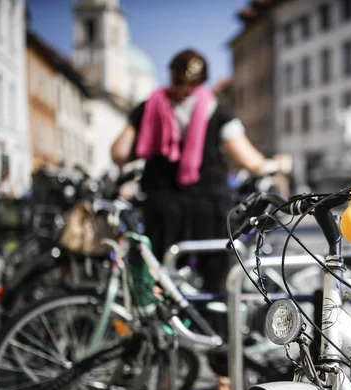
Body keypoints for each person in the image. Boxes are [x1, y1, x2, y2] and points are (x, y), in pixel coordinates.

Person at [111, 49, 289, 293]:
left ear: (171, 74)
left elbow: (119, 152)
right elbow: (250, 160)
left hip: (162, 207)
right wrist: (275, 165)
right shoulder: (216, 109)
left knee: (162, 279)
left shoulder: (150, 107)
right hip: (208, 207)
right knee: (215, 279)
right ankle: (213, 326)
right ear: (203, 79)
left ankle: (166, 326)